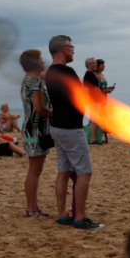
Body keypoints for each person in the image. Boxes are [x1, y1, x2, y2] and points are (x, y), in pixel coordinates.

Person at [45, 35, 104, 230]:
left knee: (64, 171)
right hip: (71, 128)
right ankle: (79, 218)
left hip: (57, 126)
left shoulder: (51, 72)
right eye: (71, 47)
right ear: (63, 48)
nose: (73, 50)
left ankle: (62, 214)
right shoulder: (67, 71)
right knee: (84, 172)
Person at [19, 49, 53, 218]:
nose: (43, 61)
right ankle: (31, 209)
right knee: (34, 170)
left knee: (36, 170)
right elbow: (39, 108)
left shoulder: (32, 79)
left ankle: (34, 207)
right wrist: (56, 113)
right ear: (34, 62)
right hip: (35, 131)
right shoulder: (34, 81)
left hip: (34, 129)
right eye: (40, 58)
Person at [93, 59, 115, 144]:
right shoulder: (96, 76)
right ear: (99, 66)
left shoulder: (102, 75)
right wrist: (107, 90)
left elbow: (103, 88)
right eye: (102, 65)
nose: (104, 66)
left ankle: (103, 136)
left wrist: (109, 88)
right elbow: (98, 89)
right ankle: (98, 137)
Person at [83, 57, 99, 144]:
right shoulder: (89, 75)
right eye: (94, 63)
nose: (96, 64)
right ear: (89, 65)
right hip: (93, 100)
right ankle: (93, 139)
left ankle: (91, 137)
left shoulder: (89, 74)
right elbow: (94, 89)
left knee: (93, 119)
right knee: (94, 119)